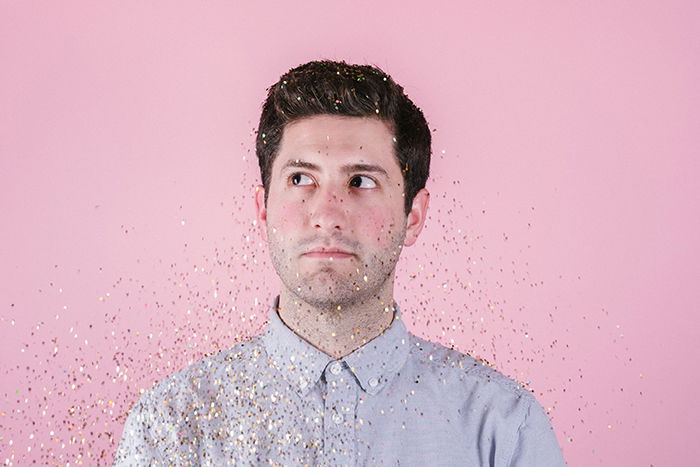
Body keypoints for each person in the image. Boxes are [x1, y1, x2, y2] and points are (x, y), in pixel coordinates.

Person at [114, 60, 565, 466]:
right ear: (263, 209)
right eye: (300, 178)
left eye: (361, 180)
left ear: (414, 215)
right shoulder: (170, 427)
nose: (327, 214)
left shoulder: (502, 430)